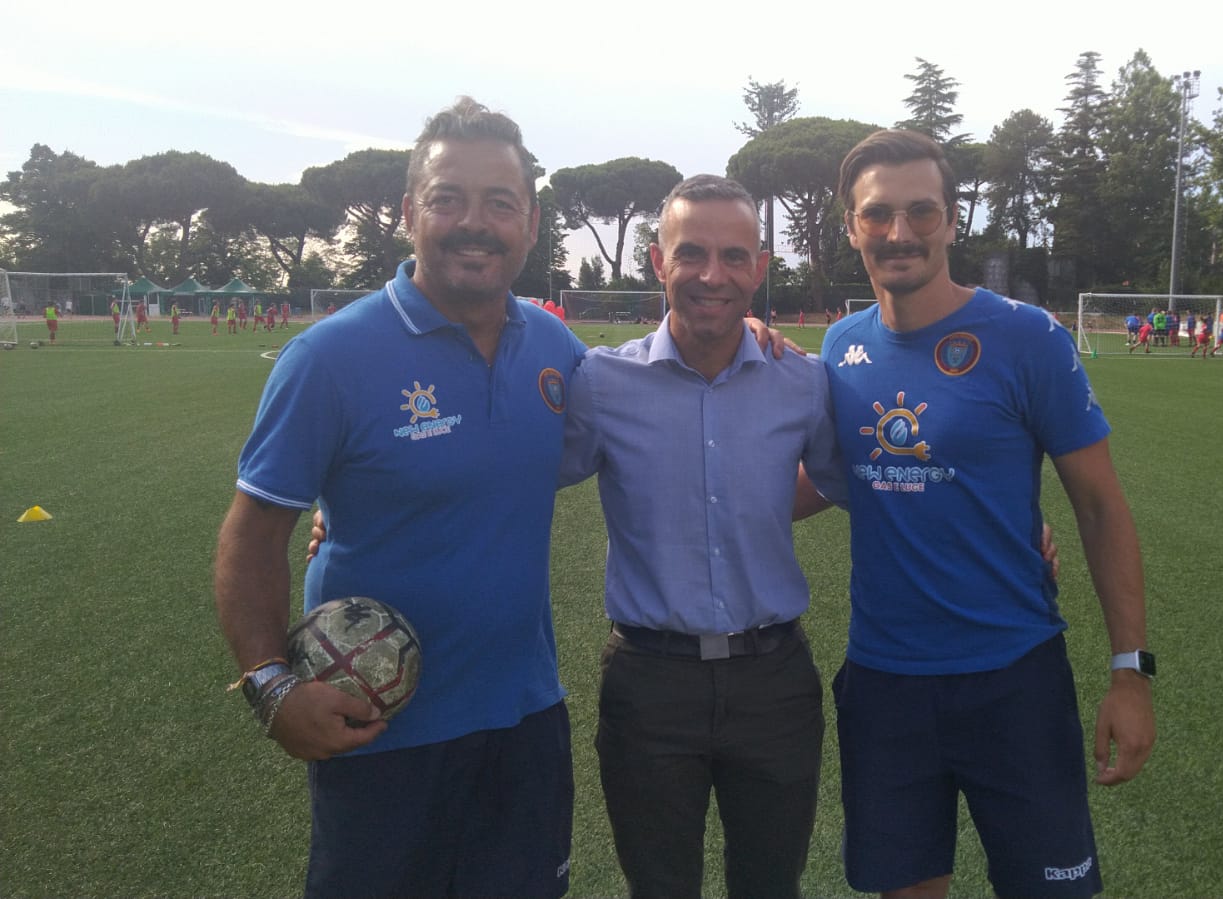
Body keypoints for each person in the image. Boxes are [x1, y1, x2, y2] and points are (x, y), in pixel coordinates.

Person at [214, 97, 585, 899]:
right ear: (410, 211)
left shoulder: (556, 349)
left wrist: (752, 341)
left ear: (528, 221)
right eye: (448, 198)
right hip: (380, 732)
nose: (473, 222)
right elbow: (251, 534)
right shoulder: (329, 357)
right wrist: (270, 687)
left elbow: (646, 414)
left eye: (499, 202)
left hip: (525, 720)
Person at [818, 129, 1154, 898]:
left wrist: (1130, 672)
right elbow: (826, 478)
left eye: (920, 211)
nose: (898, 232)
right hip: (884, 683)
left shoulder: (1026, 337)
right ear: (850, 226)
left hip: (1014, 679)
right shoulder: (837, 348)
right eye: (877, 214)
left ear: (952, 219)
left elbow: (1101, 507)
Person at [560, 174, 847, 899]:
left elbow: (866, 476)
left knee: (769, 885)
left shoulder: (803, 382)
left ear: (759, 266)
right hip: (649, 683)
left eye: (732, 255)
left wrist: (1012, 523)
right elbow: (505, 476)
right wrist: (353, 511)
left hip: (774, 681)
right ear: (657, 262)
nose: (711, 275)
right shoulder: (599, 381)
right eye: (690, 254)